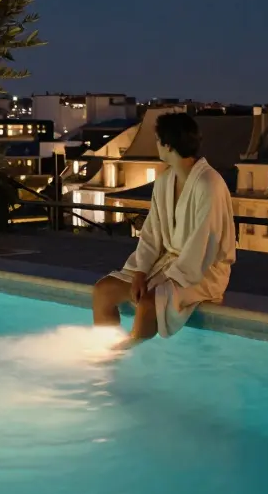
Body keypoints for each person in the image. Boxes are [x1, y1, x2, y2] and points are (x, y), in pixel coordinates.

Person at [92, 112, 236, 345]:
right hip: (166, 262)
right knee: (103, 291)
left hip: (202, 271)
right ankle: (103, 345)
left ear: (168, 145)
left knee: (148, 304)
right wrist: (140, 273)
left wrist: (162, 282)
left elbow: (203, 244)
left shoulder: (210, 185)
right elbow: (151, 233)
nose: (156, 145)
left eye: (158, 140)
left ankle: (123, 354)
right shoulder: (164, 181)